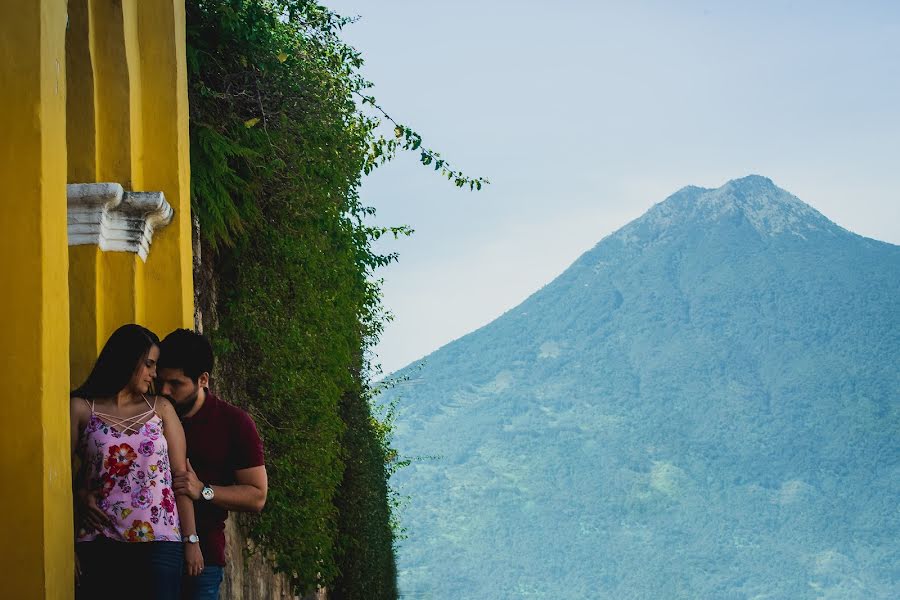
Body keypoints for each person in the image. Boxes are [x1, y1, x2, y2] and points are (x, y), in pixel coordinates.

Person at [70, 324, 203, 600]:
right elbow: (59, 477)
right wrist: (79, 496)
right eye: (149, 365)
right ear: (127, 361)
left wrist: (191, 540)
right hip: (99, 540)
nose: (155, 374)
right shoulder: (82, 409)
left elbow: (179, 478)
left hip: (160, 542)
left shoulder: (162, 409)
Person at [157, 329, 267, 600]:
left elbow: (257, 495)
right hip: (149, 550)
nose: (164, 391)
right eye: (160, 382)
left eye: (176, 384)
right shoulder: (150, 412)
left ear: (203, 379)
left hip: (202, 559)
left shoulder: (234, 424)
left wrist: (204, 490)